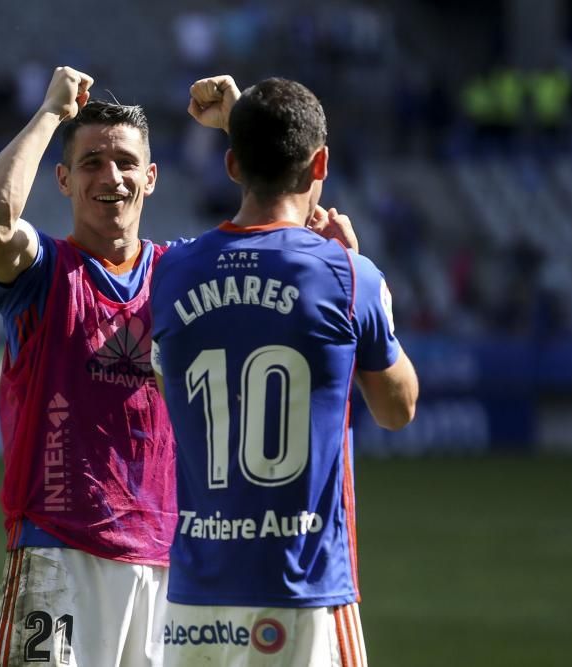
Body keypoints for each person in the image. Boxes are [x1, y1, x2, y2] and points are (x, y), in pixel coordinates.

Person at [150, 75, 419, 666]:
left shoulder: (170, 273)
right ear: (319, 161)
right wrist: (358, 266)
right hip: (302, 588)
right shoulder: (349, 278)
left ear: (229, 164)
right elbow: (396, 409)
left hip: (195, 597)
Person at [0, 66, 178, 666]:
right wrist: (51, 115)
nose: (110, 176)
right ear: (62, 178)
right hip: (57, 553)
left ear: (152, 177)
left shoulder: (181, 275)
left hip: (166, 560)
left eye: (126, 162)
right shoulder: (43, 273)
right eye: (91, 163)